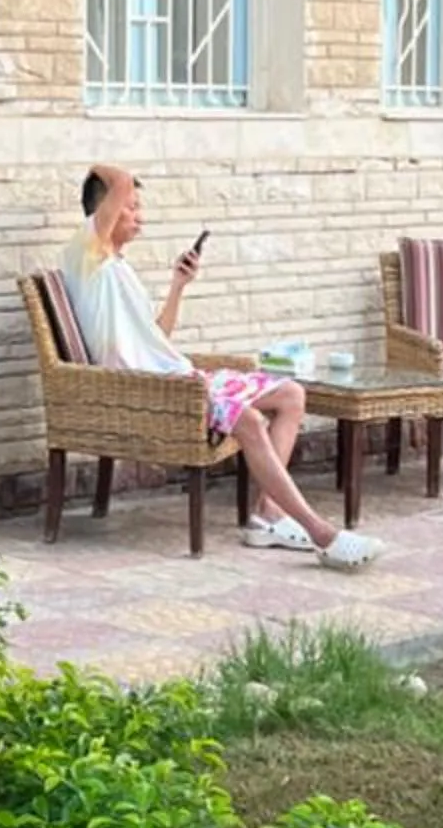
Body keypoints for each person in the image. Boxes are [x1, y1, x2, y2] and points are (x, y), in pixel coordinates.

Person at [60, 166, 380, 569]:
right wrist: (94, 170)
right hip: (155, 390)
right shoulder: (87, 252)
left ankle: (268, 517)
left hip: (175, 376)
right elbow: (119, 179)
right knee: (247, 419)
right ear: (103, 211)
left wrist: (178, 286)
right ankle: (321, 533)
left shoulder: (118, 269)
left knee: (291, 394)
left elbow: (157, 338)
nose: (140, 215)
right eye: (131, 207)